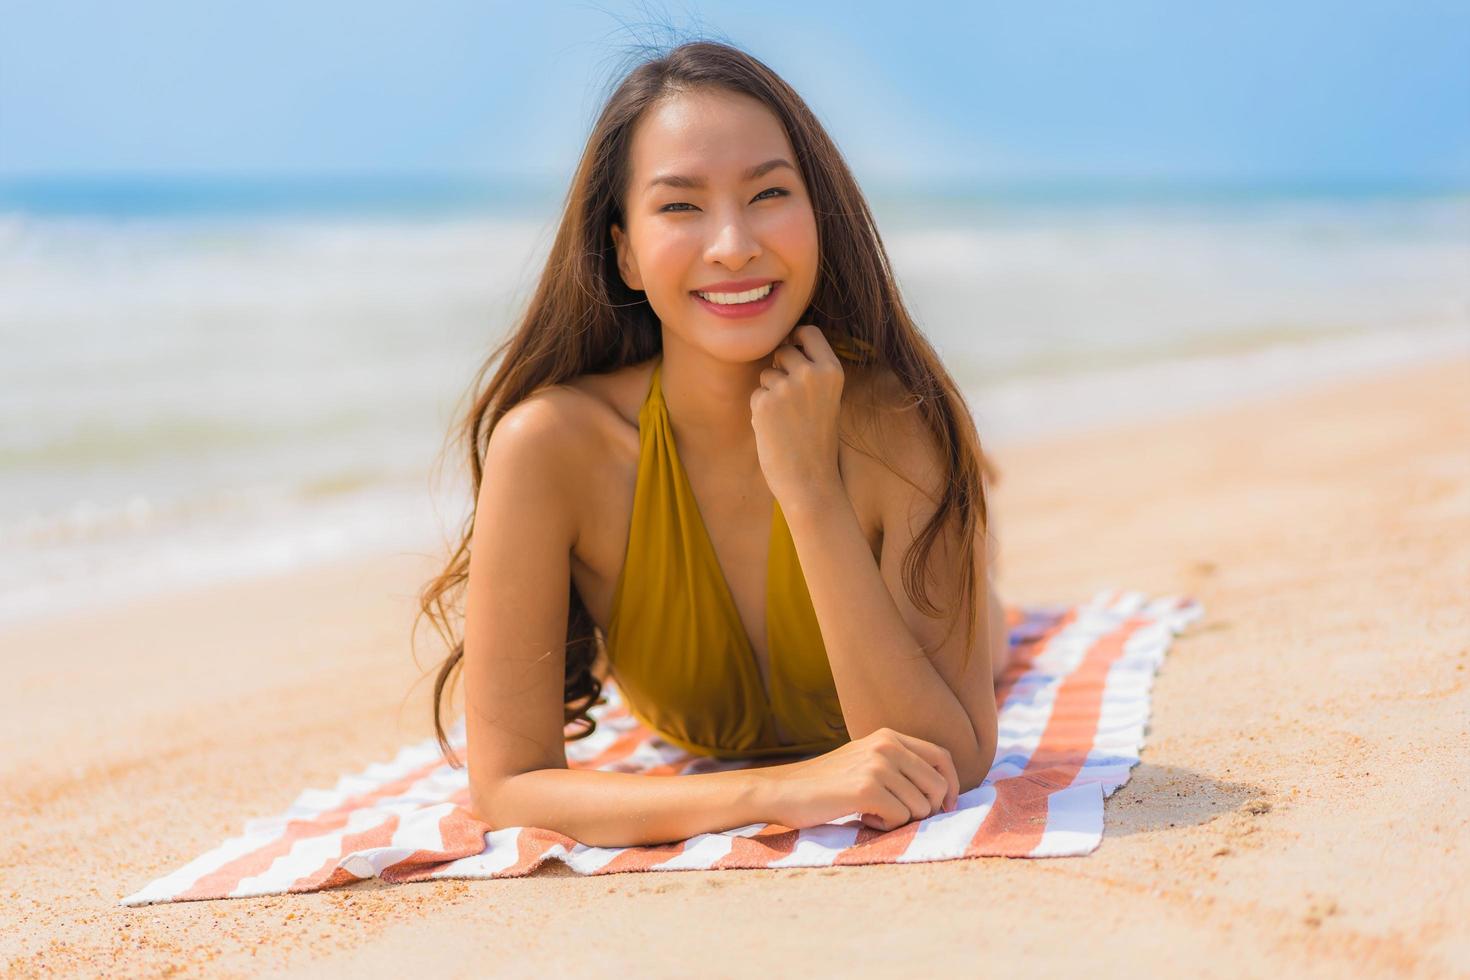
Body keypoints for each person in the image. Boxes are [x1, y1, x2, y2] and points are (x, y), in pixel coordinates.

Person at [416, 39, 1010, 849]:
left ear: (819, 217)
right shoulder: (554, 448)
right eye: (680, 206)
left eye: (768, 192)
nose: (732, 244)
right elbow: (509, 784)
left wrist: (809, 490)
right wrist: (779, 791)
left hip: (901, 500)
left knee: (992, 609)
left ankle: (984, 523)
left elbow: (952, 758)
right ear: (623, 249)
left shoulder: (896, 420)